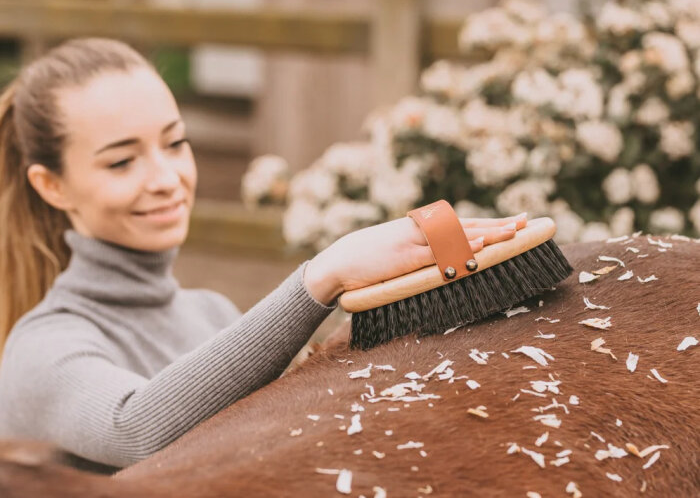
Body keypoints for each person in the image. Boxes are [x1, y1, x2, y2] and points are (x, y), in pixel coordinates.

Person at [0, 37, 526, 472]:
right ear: (53, 186)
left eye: (176, 143)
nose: (165, 179)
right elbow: (135, 430)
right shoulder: (42, 346)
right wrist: (322, 277)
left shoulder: (211, 313)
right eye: (121, 162)